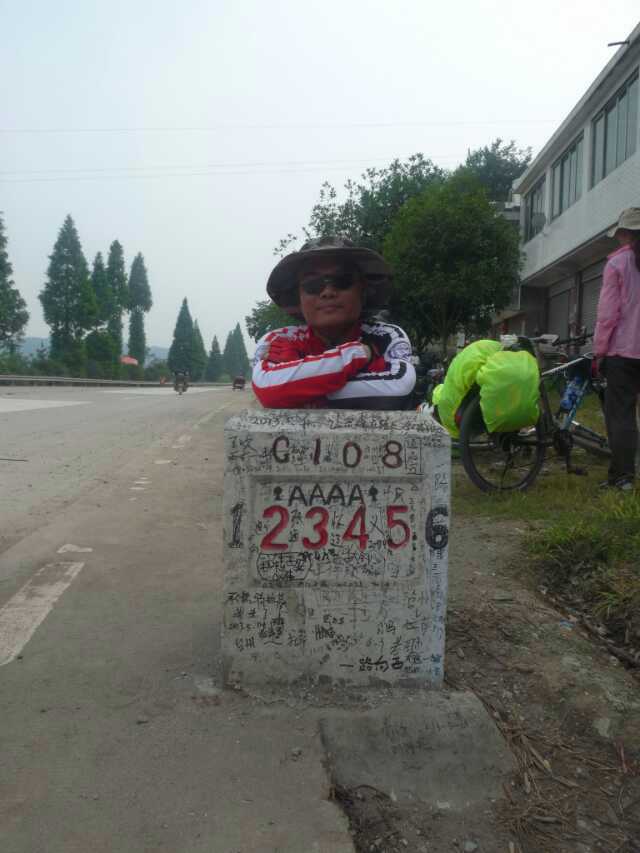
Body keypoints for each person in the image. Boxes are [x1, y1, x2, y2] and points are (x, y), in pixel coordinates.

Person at [252, 236, 416, 409]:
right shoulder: (279, 340)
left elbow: (399, 387)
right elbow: (267, 388)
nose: (328, 292)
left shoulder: (387, 336)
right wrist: (359, 354)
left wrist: (296, 390)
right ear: (298, 297)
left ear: (363, 291)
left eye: (342, 280)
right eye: (312, 284)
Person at [593, 207, 640, 491]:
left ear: (625, 234)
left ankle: (623, 477)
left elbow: (608, 315)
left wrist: (599, 351)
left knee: (621, 415)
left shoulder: (617, 264)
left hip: (623, 353)